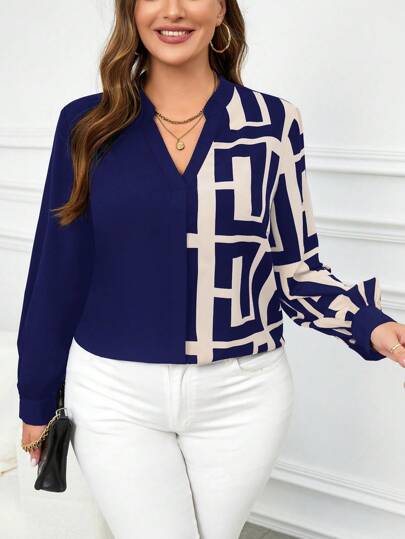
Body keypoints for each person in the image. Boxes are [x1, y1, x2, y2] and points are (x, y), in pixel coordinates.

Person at [17, 1, 405, 538]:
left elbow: (294, 268)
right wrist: (36, 397)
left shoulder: (273, 124)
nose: (173, 10)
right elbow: (58, 269)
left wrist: (369, 325)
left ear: (220, 8)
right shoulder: (88, 124)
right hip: (113, 392)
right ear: (132, 10)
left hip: (244, 396)